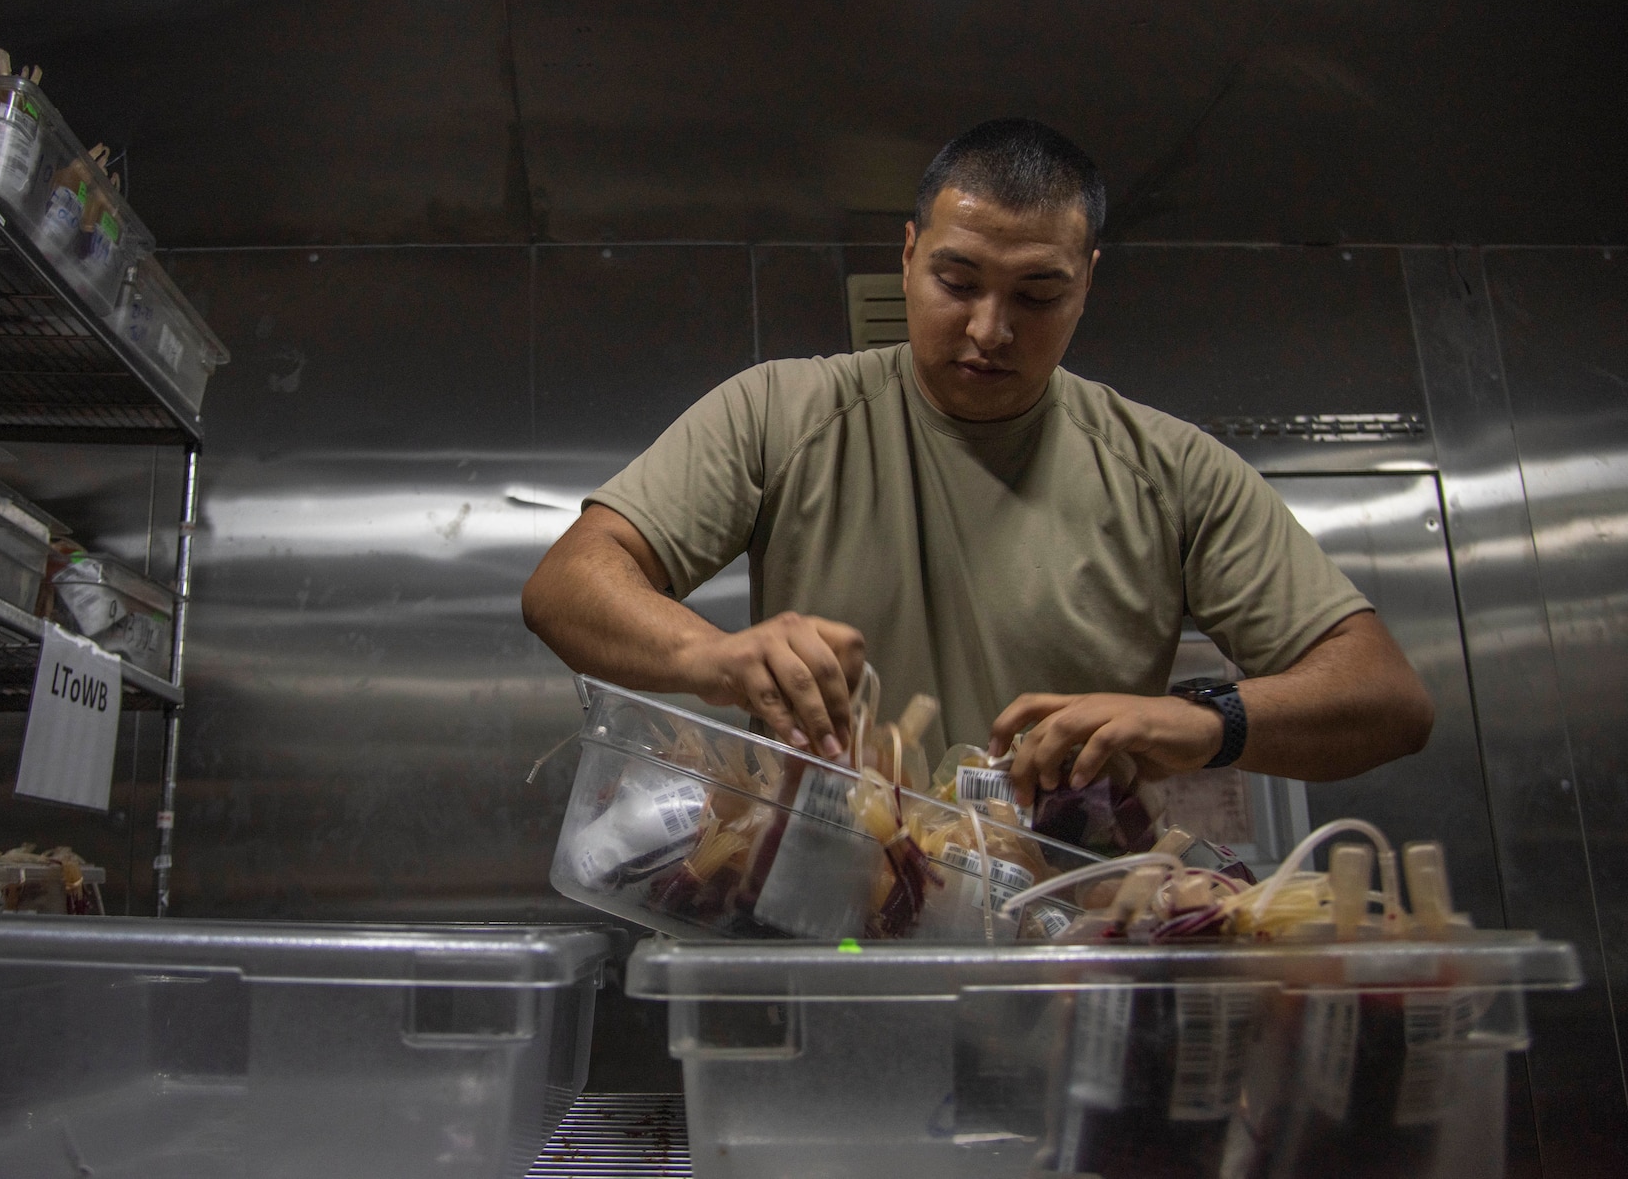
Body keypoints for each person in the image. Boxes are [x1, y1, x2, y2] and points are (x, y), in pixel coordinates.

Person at [522, 119, 1433, 804]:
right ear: (909, 257)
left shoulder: (1171, 469)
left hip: (1072, 945)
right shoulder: (782, 411)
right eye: (957, 283)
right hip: (825, 914)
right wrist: (714, 659)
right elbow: (567, 584)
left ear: (1086, 287)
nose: (990, 331)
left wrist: (1205, 721)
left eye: (1038, 295)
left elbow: (1386, 696)